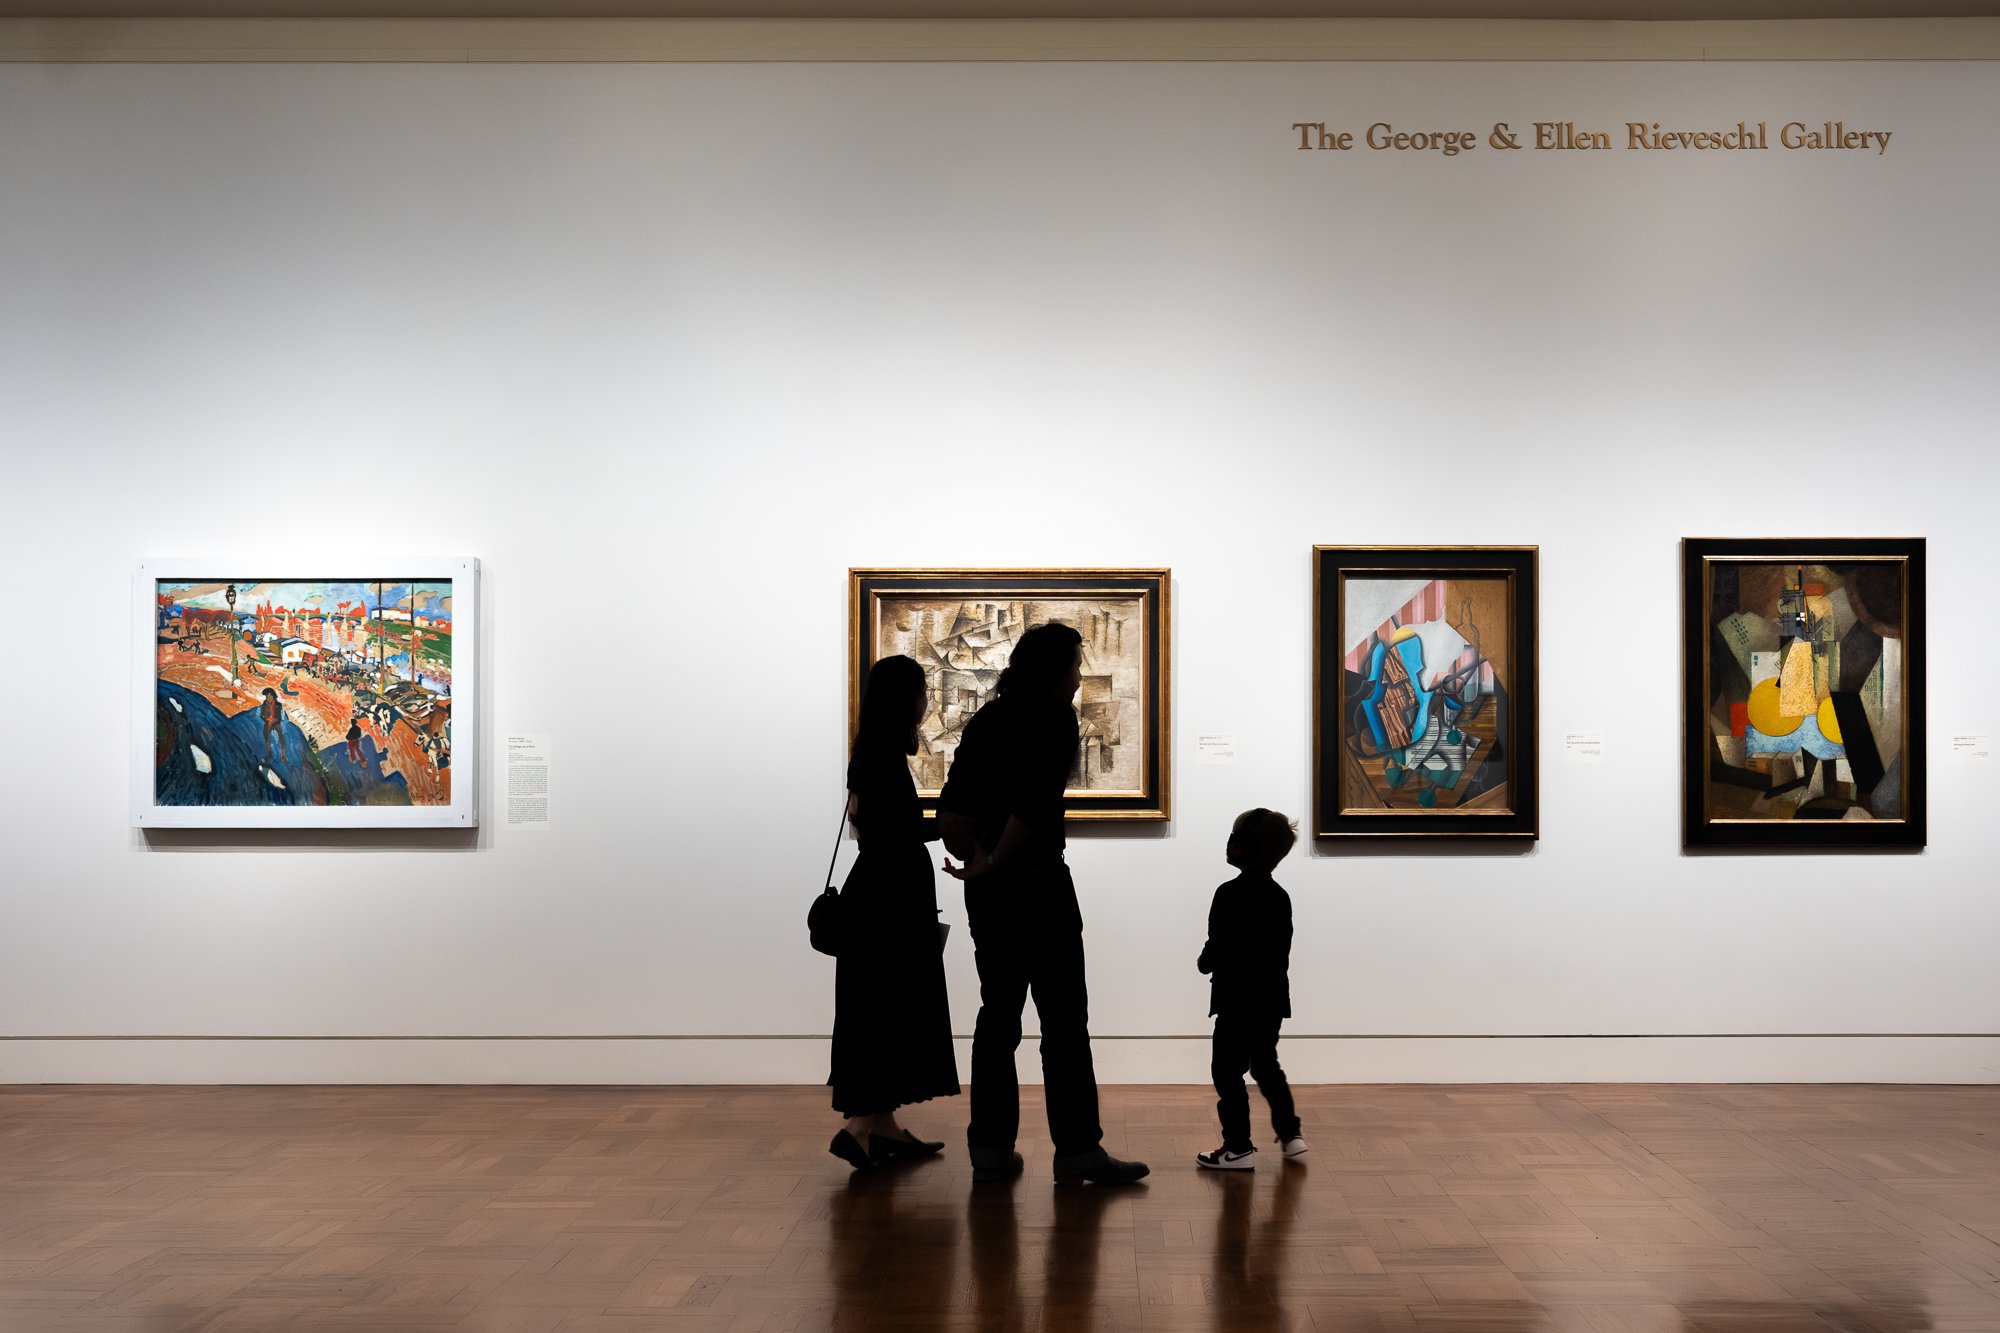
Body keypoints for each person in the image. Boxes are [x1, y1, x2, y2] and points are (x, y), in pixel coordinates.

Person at [940, 622, 1148, 1186]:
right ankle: (1079, 1151)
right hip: (1037, 884)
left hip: (987, 892)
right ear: (1058, 670)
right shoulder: (1054, 717)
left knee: (998, 1017)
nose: (1080, 676)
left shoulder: (988, 718)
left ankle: (989, 1147)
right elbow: (1032, 806)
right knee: (1063, 1023)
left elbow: (950, 810)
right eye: (1076, 665)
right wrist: (1000, 857)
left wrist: (979, 859)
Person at [827, 654, 961, 1170]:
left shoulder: (872, 751)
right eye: (921, 690)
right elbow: (892, 832)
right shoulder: (881, 755)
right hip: (889, 901)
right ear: (905, 698)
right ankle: (860, 1127)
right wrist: (951, 826)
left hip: (881, 894)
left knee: (879, 1003)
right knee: (886, 1006)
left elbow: (878, 827)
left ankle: (881, 1126)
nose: (927, 699)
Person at [1195, 808, 1307, 1170]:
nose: (1229, 841)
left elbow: (1219, 943)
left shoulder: (1228, 893)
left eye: (1235, 835)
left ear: (1244, 846)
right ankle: (1291, 1135)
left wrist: (1205, 962)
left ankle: (1238, 1147)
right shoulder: (1280, 896)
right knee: (1265, 1065)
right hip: (1271, 999)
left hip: (1236, 999)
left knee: (1226, 1072)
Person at [258, 687, 289, 764]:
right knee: (266, 736)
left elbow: (279, 717)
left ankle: (284, 756)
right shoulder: (264, 705)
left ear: (273, 696)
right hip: (268, 723)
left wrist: (274, 721)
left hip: (276, 723)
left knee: (281, 737)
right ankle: (269, 753)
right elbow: (262, 715)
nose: (268, 698)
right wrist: (267, 720)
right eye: (267, 696)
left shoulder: (278, 705)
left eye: (270, 696)